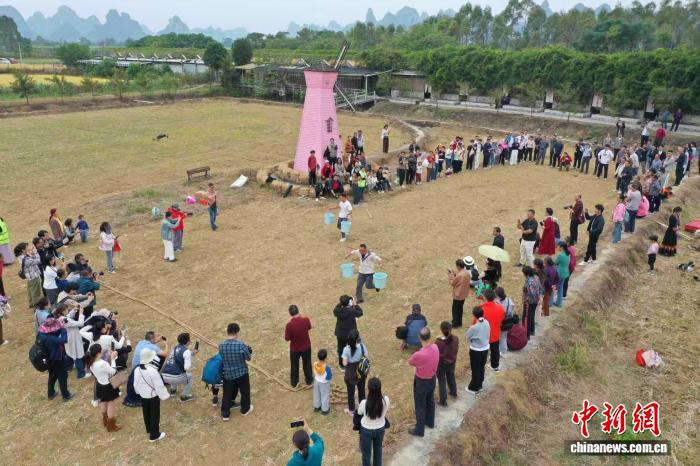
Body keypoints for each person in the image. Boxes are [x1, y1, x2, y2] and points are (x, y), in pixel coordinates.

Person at [123, 331, 171, 408]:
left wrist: (158, 339)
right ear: (152, 339)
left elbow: (152, 341)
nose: (157, 338)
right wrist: (168, 344)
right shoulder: (153, 347)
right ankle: (156, 376)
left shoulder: (141, 342)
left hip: (134, 369)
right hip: (143, 369)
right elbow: (166, 354)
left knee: (158, 355)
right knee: (161, 357)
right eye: (156, 337)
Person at [133, 347, 170, 442]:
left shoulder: (137, 369)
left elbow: (135, 384)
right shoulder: (152, 370)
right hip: (152, 395)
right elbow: (159, 385)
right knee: (154, 414)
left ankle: (149, 428)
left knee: (146, 412)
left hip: (143, 395)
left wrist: (138, 392)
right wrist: (165, 396)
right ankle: (154, 435)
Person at [407, 327, 439, 437]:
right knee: (430, 400)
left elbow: (410, 362)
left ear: (420, 338)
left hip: (421, 381)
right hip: (432, 378)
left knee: (420, 405)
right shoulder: (435, 347)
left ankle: (419, 430)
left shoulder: (419, 354)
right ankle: (430, 422)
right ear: (430, 336)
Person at [219, 323, 253, 419]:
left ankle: (225, 413)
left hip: (228, 373)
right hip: (241, 373)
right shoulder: (240, 345)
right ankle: (245, 409)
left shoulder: (221, 345)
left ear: (227, 332)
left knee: (227, 393)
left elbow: (222, 357)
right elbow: (248, 358)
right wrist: (248, 350)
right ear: (237, 332)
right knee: (245, 391)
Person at [85, 343, 120, 431]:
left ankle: (105, 420)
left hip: (100, 385)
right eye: (101, 350)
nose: (102, 351)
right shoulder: (102, 364)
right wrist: (113, 359)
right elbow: (113, 371)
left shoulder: (91, 362)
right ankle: (111, 425)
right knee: (111, 404)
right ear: (98, 353)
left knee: (103, 402)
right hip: (108, 386)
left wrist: (108, 354)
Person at [38, 317, 74, 401]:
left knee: (53, 375)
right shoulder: (50, 339)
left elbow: (54, 333)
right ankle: (66, 395)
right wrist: (63, 329)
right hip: (57, 358)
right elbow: (64, 340)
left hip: (49, 359)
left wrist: (59, 327)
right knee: (62, 376)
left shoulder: (42, 333)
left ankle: (51, 393)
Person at [358, 377, 390, 466]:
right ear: (380, 388)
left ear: (369, 389)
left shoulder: (364, 403)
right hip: (380, 429)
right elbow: (387, 409)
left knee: (366, 453)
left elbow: (359, 412)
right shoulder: (385, 400)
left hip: (366, 430)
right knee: (378, 450)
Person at [162, 332, 196, 401]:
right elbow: (187, 367)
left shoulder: (175, 348)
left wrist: (193, 353)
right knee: (189, 377)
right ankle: (184, 396)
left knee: (174, 369)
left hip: (164, 376)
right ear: (188, 341)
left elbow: (179, 355)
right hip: (175, 378)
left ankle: (173, 390)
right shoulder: (186, 351)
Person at [285, 305, 313, 388]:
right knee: (307, 364)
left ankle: (294, 382)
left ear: (290, 313)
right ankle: (309, 380)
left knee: (294, 365)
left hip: (295, 348)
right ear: (298, 311)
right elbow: (309, 327)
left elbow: (287, 338)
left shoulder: (289, 325)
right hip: (306, 346)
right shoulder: (306, 320)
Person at [342, 329, 368, 415]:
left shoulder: (346, 349)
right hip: (361, 372)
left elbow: (344, 363)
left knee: (350, 392)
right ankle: (362, 408)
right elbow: (366, 356)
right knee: (361, 391)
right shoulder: (362, 346)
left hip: (350, 374)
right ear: (358, 338)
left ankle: (351, 409)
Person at [333, 295, 363, 370]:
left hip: (341, 334)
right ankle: (352, 361)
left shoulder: (337, 310)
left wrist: (341, 303)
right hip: (351, 334)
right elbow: (360, 313)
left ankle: (342, 365)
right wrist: (355, 304)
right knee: (353, 347)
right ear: (348, 303)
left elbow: (336, 308)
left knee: (341, 349)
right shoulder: (351, 311)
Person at [478, 289, 505, 371]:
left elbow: (476, 323)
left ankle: (481, 367)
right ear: (494, 297)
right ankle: (495, 366)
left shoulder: (481, 310)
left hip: (484, 335)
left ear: (485, 298)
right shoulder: (500, 307)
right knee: (495, 351)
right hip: (495, 334)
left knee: (482, 352)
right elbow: (502, 318)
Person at [466, 307, 490, 394]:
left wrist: (471, 328)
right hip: (485, 348)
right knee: (481, 367)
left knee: (475, 369)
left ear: (474, 316)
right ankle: (480, 385)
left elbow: (467, 336)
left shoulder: (474, 328)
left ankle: (473, 388)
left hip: (476, 350)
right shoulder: (486, 322)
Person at [435, 321, 459, 406]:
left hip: (441, 364)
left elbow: (436, 353)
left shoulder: (438, 342)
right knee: (451, 376)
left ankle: (443, 401)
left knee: (442, 381)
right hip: (452, 362)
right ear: (451, 329)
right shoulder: (455, 338)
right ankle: (453, 392)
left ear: (441, 330)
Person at [15, 242, 43, 309]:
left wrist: (32, 255)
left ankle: (31, 303)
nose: (28, 248)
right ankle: (36, 305)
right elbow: (38, 261)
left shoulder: (22, 257)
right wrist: (35, 252)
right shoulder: (25, 259)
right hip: (33, 276)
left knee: (31, 290)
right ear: (23, 250)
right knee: (36, 292)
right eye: (26, 247)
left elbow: (32, 259)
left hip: (30, 277)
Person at [447, 259, 469, 328]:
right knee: (460, 309)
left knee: (455, 310)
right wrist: (455, 273)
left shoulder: (460, 275)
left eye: (456, 266)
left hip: (458, 295)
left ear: (459, 266)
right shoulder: (466, 272)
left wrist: (450, 275)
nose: (456, 267)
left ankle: (455, 324)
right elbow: (459, 277)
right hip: (464, 294)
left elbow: (452, 283)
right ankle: (459, 323)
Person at [494, 287, 515, 358]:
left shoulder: (497, 303)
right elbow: (512, 310)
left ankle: (502, 351)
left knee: (501, 337)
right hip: (508, 321)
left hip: (501, 322)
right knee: (504, 336)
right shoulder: (509, 300)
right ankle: (504, 349)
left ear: (497, 295)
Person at [521, 266, 541, 338]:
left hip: (529, 301)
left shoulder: (529, 282)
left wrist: (525, 298)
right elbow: (540, 287)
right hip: (535, 301)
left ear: (526, 273)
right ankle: (532, 331)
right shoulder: (536, 277)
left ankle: (526, 334)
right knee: (532, 315)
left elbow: (532, 293)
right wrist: (539, 298)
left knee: (526, 317)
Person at [312, 349, 332, 415]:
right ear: (325, 358)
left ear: (318, 357)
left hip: (316, 381)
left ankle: (317, 407)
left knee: (316, 394)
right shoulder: (327, 368)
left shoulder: (315, 364)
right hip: (324, 383)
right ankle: (325, 410)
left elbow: (314, 372)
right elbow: (329, 377)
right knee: (324, 395)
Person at [554, 242, 571, 308]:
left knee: (555, 287)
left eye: (558, 246)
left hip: (560, 273)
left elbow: (555, 263)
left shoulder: (561, 255)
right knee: (561, 287)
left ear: (562, 247)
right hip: (566, 272)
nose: (557, 247)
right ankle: (559, 302)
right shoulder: (568, 254)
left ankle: (554, 302)